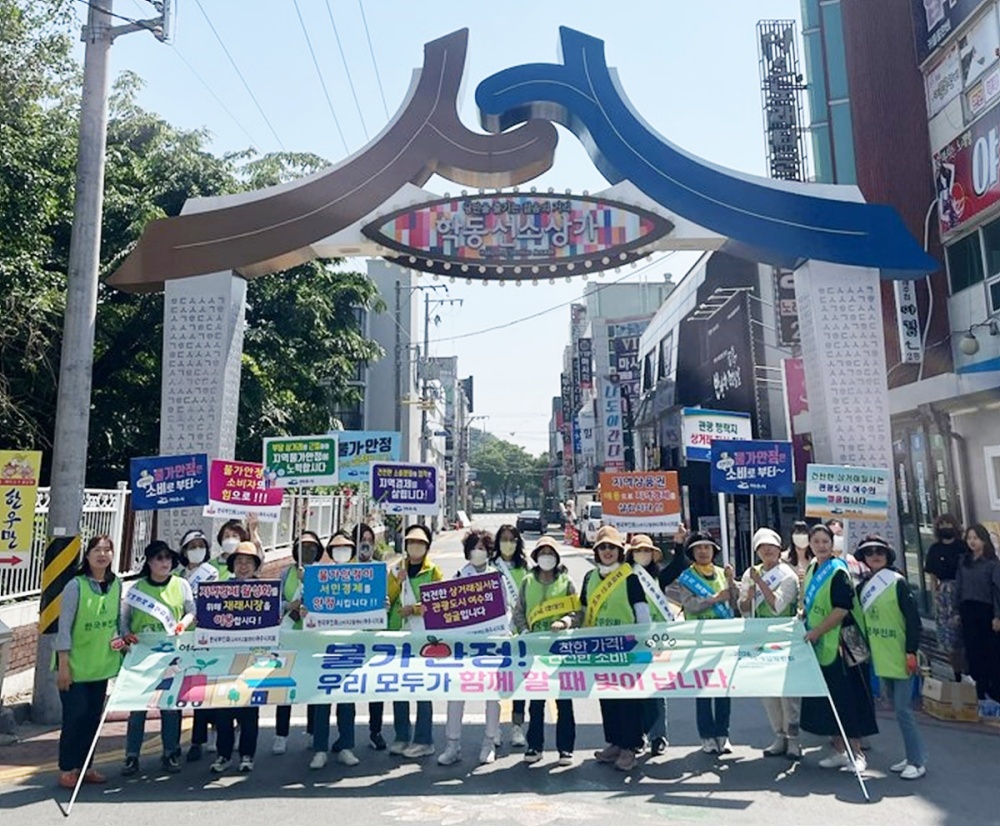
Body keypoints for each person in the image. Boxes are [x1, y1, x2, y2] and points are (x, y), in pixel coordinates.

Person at [799, 524, 877, 772]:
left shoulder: (838, 570)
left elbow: (842, 609)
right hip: (820, 643)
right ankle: (839, 750)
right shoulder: (812, 568)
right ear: (809, 544)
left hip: (842, 645)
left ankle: (857, 754)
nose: (821, 546)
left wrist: (817, 631)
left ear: (832, 544)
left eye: (825, 541)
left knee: (848, 698)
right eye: (817, 541)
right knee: (829, 699)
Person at [578, 525, 650, 772]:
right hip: (600, 649)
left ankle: (631, 747)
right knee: (607, 698)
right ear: (596, 552)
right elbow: (584, 611)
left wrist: (642, 643)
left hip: (628, 649)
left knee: (628, 700)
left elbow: (642, 613)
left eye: (612, 547)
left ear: (620, 551)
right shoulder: (590, 578)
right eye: (603, 547)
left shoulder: (630, 577)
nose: (607, 551)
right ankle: (615, 743)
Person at [121, 540, 195, 777]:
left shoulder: (181, 585)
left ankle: (171, 752)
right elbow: (124, 618)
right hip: (142, 653)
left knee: (170, 705)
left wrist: (183, 623)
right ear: (149, 562)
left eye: (167, 558)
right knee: (137, 706)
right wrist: (125, 636)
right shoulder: (136, 590)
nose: (164, 562)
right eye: (159, 558)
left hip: (171, 652)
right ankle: (131, 756)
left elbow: (191, 610)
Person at [855, 536, 926, 780]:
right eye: (869, 552)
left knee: (903, 710)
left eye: (880, 551)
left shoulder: (897, 582)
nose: (875, 555)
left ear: (888, 555)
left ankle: (917, 761)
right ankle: (910, 756)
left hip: (900, 654)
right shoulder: (863, 587)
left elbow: (913, 620)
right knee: (896, 710)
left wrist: (911, 651)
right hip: (880, 656)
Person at [54, 535, 123, 789]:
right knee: (75, 716)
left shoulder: (116, 584)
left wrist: (123, 644)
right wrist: (63, 665)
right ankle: (67, 769)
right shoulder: (75, 586)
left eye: (107, 550)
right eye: (97, 550)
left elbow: (116, 623)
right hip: (74, 666)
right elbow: (64, 628)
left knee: (93, 717)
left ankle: (86, 767)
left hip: (101, 665)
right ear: (87, 555)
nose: (102, 554)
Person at [438, 530, 503, 766]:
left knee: (491, 696)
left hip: (490, 646)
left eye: (483, 548)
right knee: (457, 694)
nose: (478, 552)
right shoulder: (458, 576)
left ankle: (489, 742)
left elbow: (505, 611)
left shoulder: (497, 577)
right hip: (463, 647)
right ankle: (452, 744)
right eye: (474, 548)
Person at [512, 535, 579, 765]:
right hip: (534, 650)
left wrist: (565, 622)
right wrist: (524, 631)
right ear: (536, 557)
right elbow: (518, 611)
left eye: (550, 553)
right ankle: (534, 746)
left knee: (564, 701)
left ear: (557, 557)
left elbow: (577, 612)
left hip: (560, 649)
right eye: (542, 553)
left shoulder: (566, 581)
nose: (546, 557)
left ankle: (566, 748)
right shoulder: (528, 581)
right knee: (536, 701)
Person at [738, 527, 801, 758]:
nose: (767, 550)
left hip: (785, 638)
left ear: (779, 548)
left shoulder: (788, 575)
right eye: (762, 547)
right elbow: (743, 608)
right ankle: (779, 736)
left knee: (789, 692)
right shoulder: (750, 574)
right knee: (768, 690)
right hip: (759, 638)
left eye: (771, 546)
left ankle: (794, 739)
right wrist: (749, 594)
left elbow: (778, 606)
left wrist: (761, 585)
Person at [676, 531, 738, 755]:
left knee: (723, 688)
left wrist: (732, 582)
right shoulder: (686, 577)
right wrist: (713, 599)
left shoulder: (723, 573)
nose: (703, 551)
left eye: (707, 547)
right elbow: (690, 605)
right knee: (702, 690)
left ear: (714, 551)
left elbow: (735, 601)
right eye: (699, 548)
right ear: (692, 552)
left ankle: (723, 733)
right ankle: (706, 736)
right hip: (699, 640)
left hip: (722, 639)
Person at [309, 531, 363, 769]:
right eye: (337, 548)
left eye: (347, 548)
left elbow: (370, 608)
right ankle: (320, 749)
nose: (342, 552)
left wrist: (380, 606)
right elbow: (307, 605)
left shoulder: (363, 577)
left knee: (347, 701)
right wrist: (305, 610)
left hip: (350, 646)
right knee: (322, 700)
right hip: (324, 647)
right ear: (330, 552)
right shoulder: (318, 577)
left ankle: (346, 746)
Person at [211, 541, 266, 774]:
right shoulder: (220, 589)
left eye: (249, 562)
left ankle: (247, 755)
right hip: (226, 658)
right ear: (232, 565)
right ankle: (223, 755)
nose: (244, 566)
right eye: (239, 561)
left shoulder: (266, 590)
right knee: (223, 710)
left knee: (250, 710)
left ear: (256, 566)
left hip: (254, 659)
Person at [386, 523, 440, 758]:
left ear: (426, 547)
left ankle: (424, 739)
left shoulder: (434, 572)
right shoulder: (397, 569)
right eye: (411, 543)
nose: (415, 547)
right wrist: (398, 581)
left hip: (423, 638)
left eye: (419, 543)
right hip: (398, 635)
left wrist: (415, 609)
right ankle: (401, 736)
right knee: (399, 686)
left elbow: (439, 604)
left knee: (422, 688)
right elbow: (386, 597)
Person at [272, 531, 325, 757]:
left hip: (312, 636)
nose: (308, 552)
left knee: (313, 683)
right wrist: (289, 606)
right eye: (304, 547)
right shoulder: (286, 573)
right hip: (288, 633)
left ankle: (313, 731)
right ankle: (281, 734)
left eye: (312, 548)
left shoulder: (323, 574)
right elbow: (275, 601)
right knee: (285, 685)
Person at [627, 533, 672, 756]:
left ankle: (658, 736)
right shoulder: (625, 576)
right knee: (636, 690)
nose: (642, 555)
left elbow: (679, 567)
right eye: (638, 551)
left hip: (657, 640)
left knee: (657, 689)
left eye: (646, 551)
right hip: (633, 641)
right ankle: (639, 735)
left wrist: (681, 544)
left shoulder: (658, 576)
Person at [178, 529, 220, 763]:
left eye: (200, 545)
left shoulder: (210, 572)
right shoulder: (177, 574)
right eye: (191, 546)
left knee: (204, 690)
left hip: (206, 637)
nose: (196, 550)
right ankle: (187, 741)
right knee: (186, 691)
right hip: (183, 640)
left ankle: (202, 738)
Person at [953, 524, 1000, 701]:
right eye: (969, 538)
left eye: (976, 538)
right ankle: (979, 692)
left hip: (986, 610)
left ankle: (993, 691)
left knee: (990, 652)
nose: (972, 542)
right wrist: (956, 610)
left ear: (984, 540)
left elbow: (997, 591)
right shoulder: (963, 561)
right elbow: (959, 586)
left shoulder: (992, 564)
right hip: (968, 609)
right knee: (972, 652)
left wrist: (998, 615)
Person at [493, 523, 529, 749]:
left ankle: (517, 727)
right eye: (504, 539)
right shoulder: (490, 567)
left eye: (512, 539)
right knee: (496, 682)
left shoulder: (525, 569)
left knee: (519, 682)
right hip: (496, 633)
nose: (508, 543)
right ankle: (493, 727)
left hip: (519, 632)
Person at [352, 522, 387, 751]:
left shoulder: (380, 569)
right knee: (348, 687)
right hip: (351, 636)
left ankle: (376, 731)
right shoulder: (343, 569)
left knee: (376, 686)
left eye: (369, 540)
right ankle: (346, 737)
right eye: (361, 539)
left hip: (374, 635)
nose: (366, 544)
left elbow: (390, 598)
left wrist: (386, 602)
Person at [924, 514, 967, 681]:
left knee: (964, 634)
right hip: (944, 594)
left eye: (949, 523)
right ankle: (957, 674)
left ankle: (968, 671)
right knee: (949, 640)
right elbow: (932, 576)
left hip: (963, 590)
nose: (946, 527)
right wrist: (935, 596)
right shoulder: (935, 549)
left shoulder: (962, 546)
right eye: (942, 524)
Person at [783, 520, 813, 611]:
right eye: (797, 532)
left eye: (804, 532)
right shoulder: (783, 559)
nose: (801, 536)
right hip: (789, 603)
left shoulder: (815, 559)